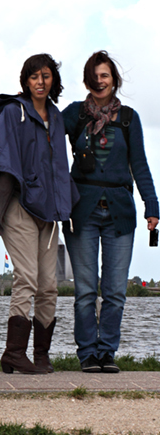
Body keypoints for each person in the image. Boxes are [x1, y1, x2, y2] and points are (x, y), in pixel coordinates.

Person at [0, 54, 78, 374]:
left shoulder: (57, 117)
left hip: (49, 211)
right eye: (34, 76)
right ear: (25, 80)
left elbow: (61, 167)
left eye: (46, 76)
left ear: (53, 81)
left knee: (49, 284)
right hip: (19, 205)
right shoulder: (13, 112)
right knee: (27, 278)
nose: (40, 81)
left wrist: (65, 205)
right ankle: (13, 353)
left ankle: (42, 355)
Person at [61, 51, 158, 373]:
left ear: (114, 79)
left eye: (105, 75)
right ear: (87, 80)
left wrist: (152, 206)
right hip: (82, 211)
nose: (99, 81)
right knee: (86, 290)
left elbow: (140, 164)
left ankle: (107, 352)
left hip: (121, 212)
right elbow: (42, 133)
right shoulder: (74, 114)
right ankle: (88, 353)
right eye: (94, 76)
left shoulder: (129, 118)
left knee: (115, 290)